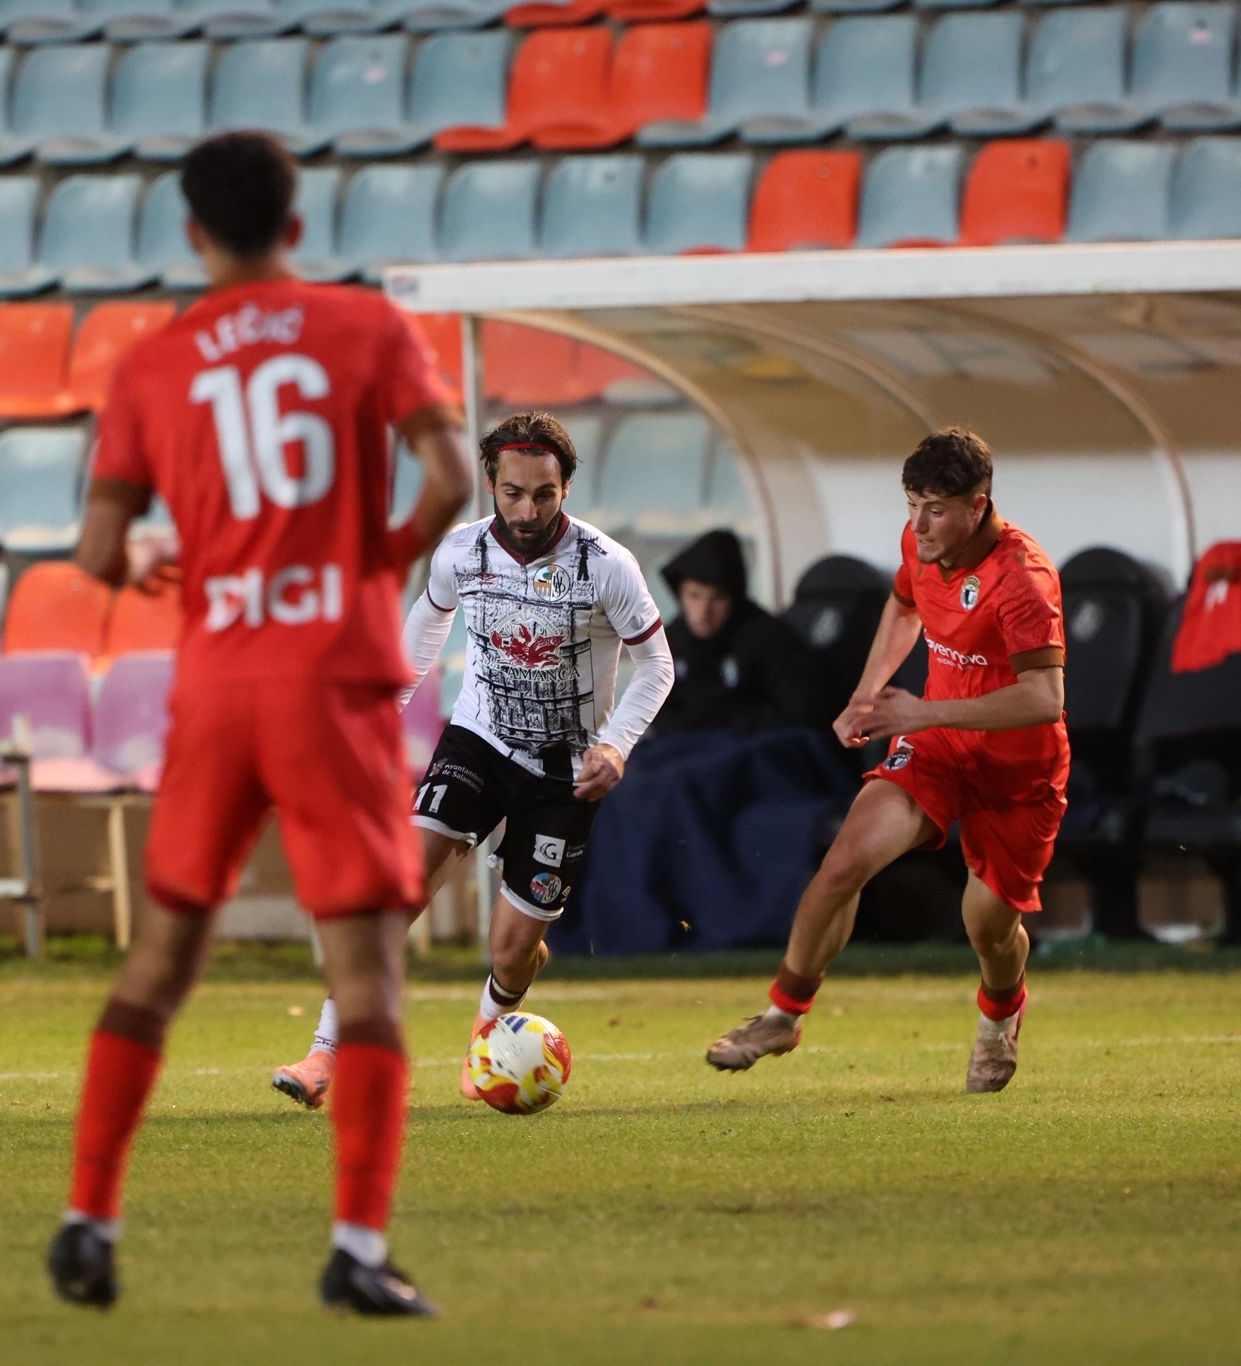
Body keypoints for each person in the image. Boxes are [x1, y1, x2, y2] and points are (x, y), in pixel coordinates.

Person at [46, 131, 472, 1318]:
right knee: (368, 971)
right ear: (294, 225)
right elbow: (448, 477)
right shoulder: (364, 327)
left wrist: (145, 560)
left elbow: (96, 549)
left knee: (159, 959)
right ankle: (355, 1247)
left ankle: (88, 1220)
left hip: (221, 682)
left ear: (193, 233)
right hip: (330, 677)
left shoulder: (152, 363)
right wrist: (371, 563)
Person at [270, 410, 675, 1109]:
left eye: (543, 494)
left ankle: (488, 1037)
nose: (528, 510)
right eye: (513, 493)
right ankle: (325, 1053)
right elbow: (423, 633)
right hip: (478, 743)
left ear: (566, 488)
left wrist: (615, 743)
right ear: (491, 482)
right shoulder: (461, 552)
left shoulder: (607, 565)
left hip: (565, 772)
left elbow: (657, 665)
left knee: (512, 949)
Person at [704, 428, 1068, 1093]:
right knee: (844, 863)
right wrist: (866, 695)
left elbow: (1044, 699)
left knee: (988, 927)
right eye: (912, 506)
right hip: (936, 744)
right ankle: (783, 1015)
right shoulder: (921, 545)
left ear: (977, 505)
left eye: (935, 509)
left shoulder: (1023, 578)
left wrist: (925, 711)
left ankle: (1000, 1014)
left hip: (1017, 768)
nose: (918, 525)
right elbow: (904, 606)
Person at [654, 528, 817, 735]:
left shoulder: (769, 639)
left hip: (753, 742)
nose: (704, 611)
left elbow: (799, 709)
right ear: (680, 595)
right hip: (684, 744)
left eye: (717, 598)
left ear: (734, 600)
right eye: (694, 596)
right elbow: (655, 708)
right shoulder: (670, 641)